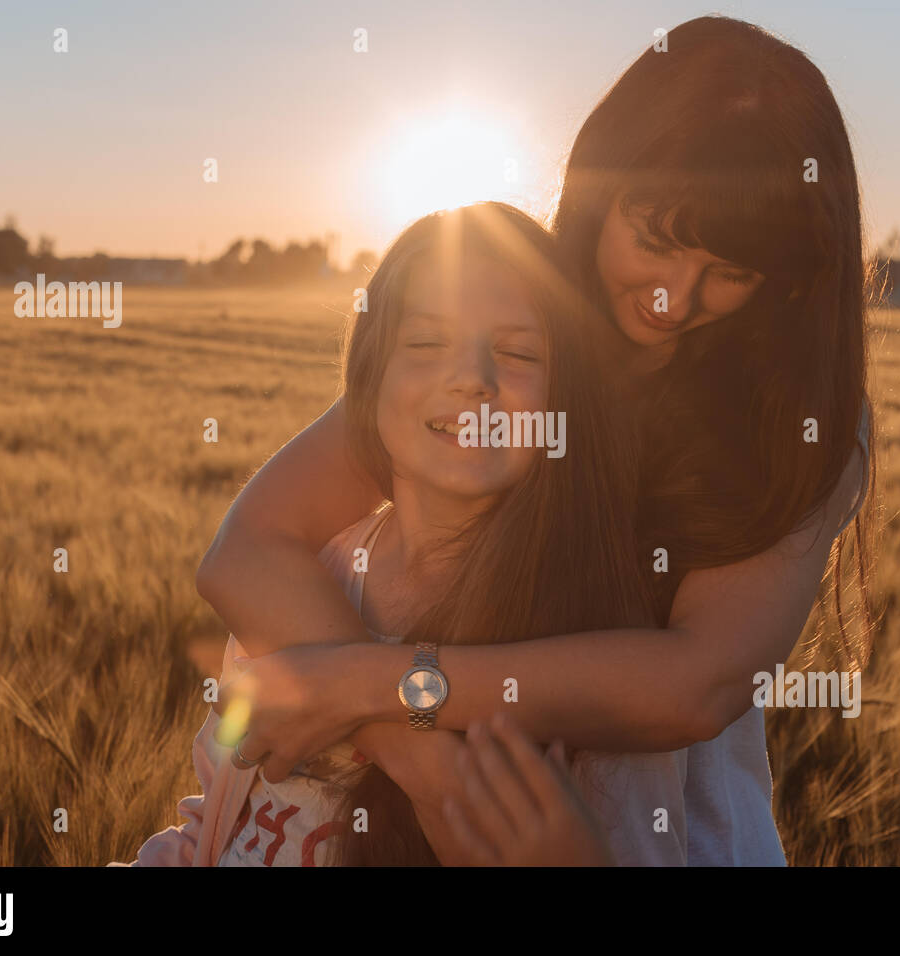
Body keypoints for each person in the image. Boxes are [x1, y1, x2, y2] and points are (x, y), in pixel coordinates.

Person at [198, 15, 876, 866]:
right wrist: (426, 765)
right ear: (602, 189)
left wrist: (369, 683)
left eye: (731, 272)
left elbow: (697, 684)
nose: (676, 297)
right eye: (655, 239)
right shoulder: (512, 317)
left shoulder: (801, 417)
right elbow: (248, 547)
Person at [120, 202, 686, 866]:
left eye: (519, 351)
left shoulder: (585, 655)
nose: (472, 377)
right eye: (425, 343)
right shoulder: (303, 581)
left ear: (564, 400)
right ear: (370, 376)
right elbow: (215, 827)